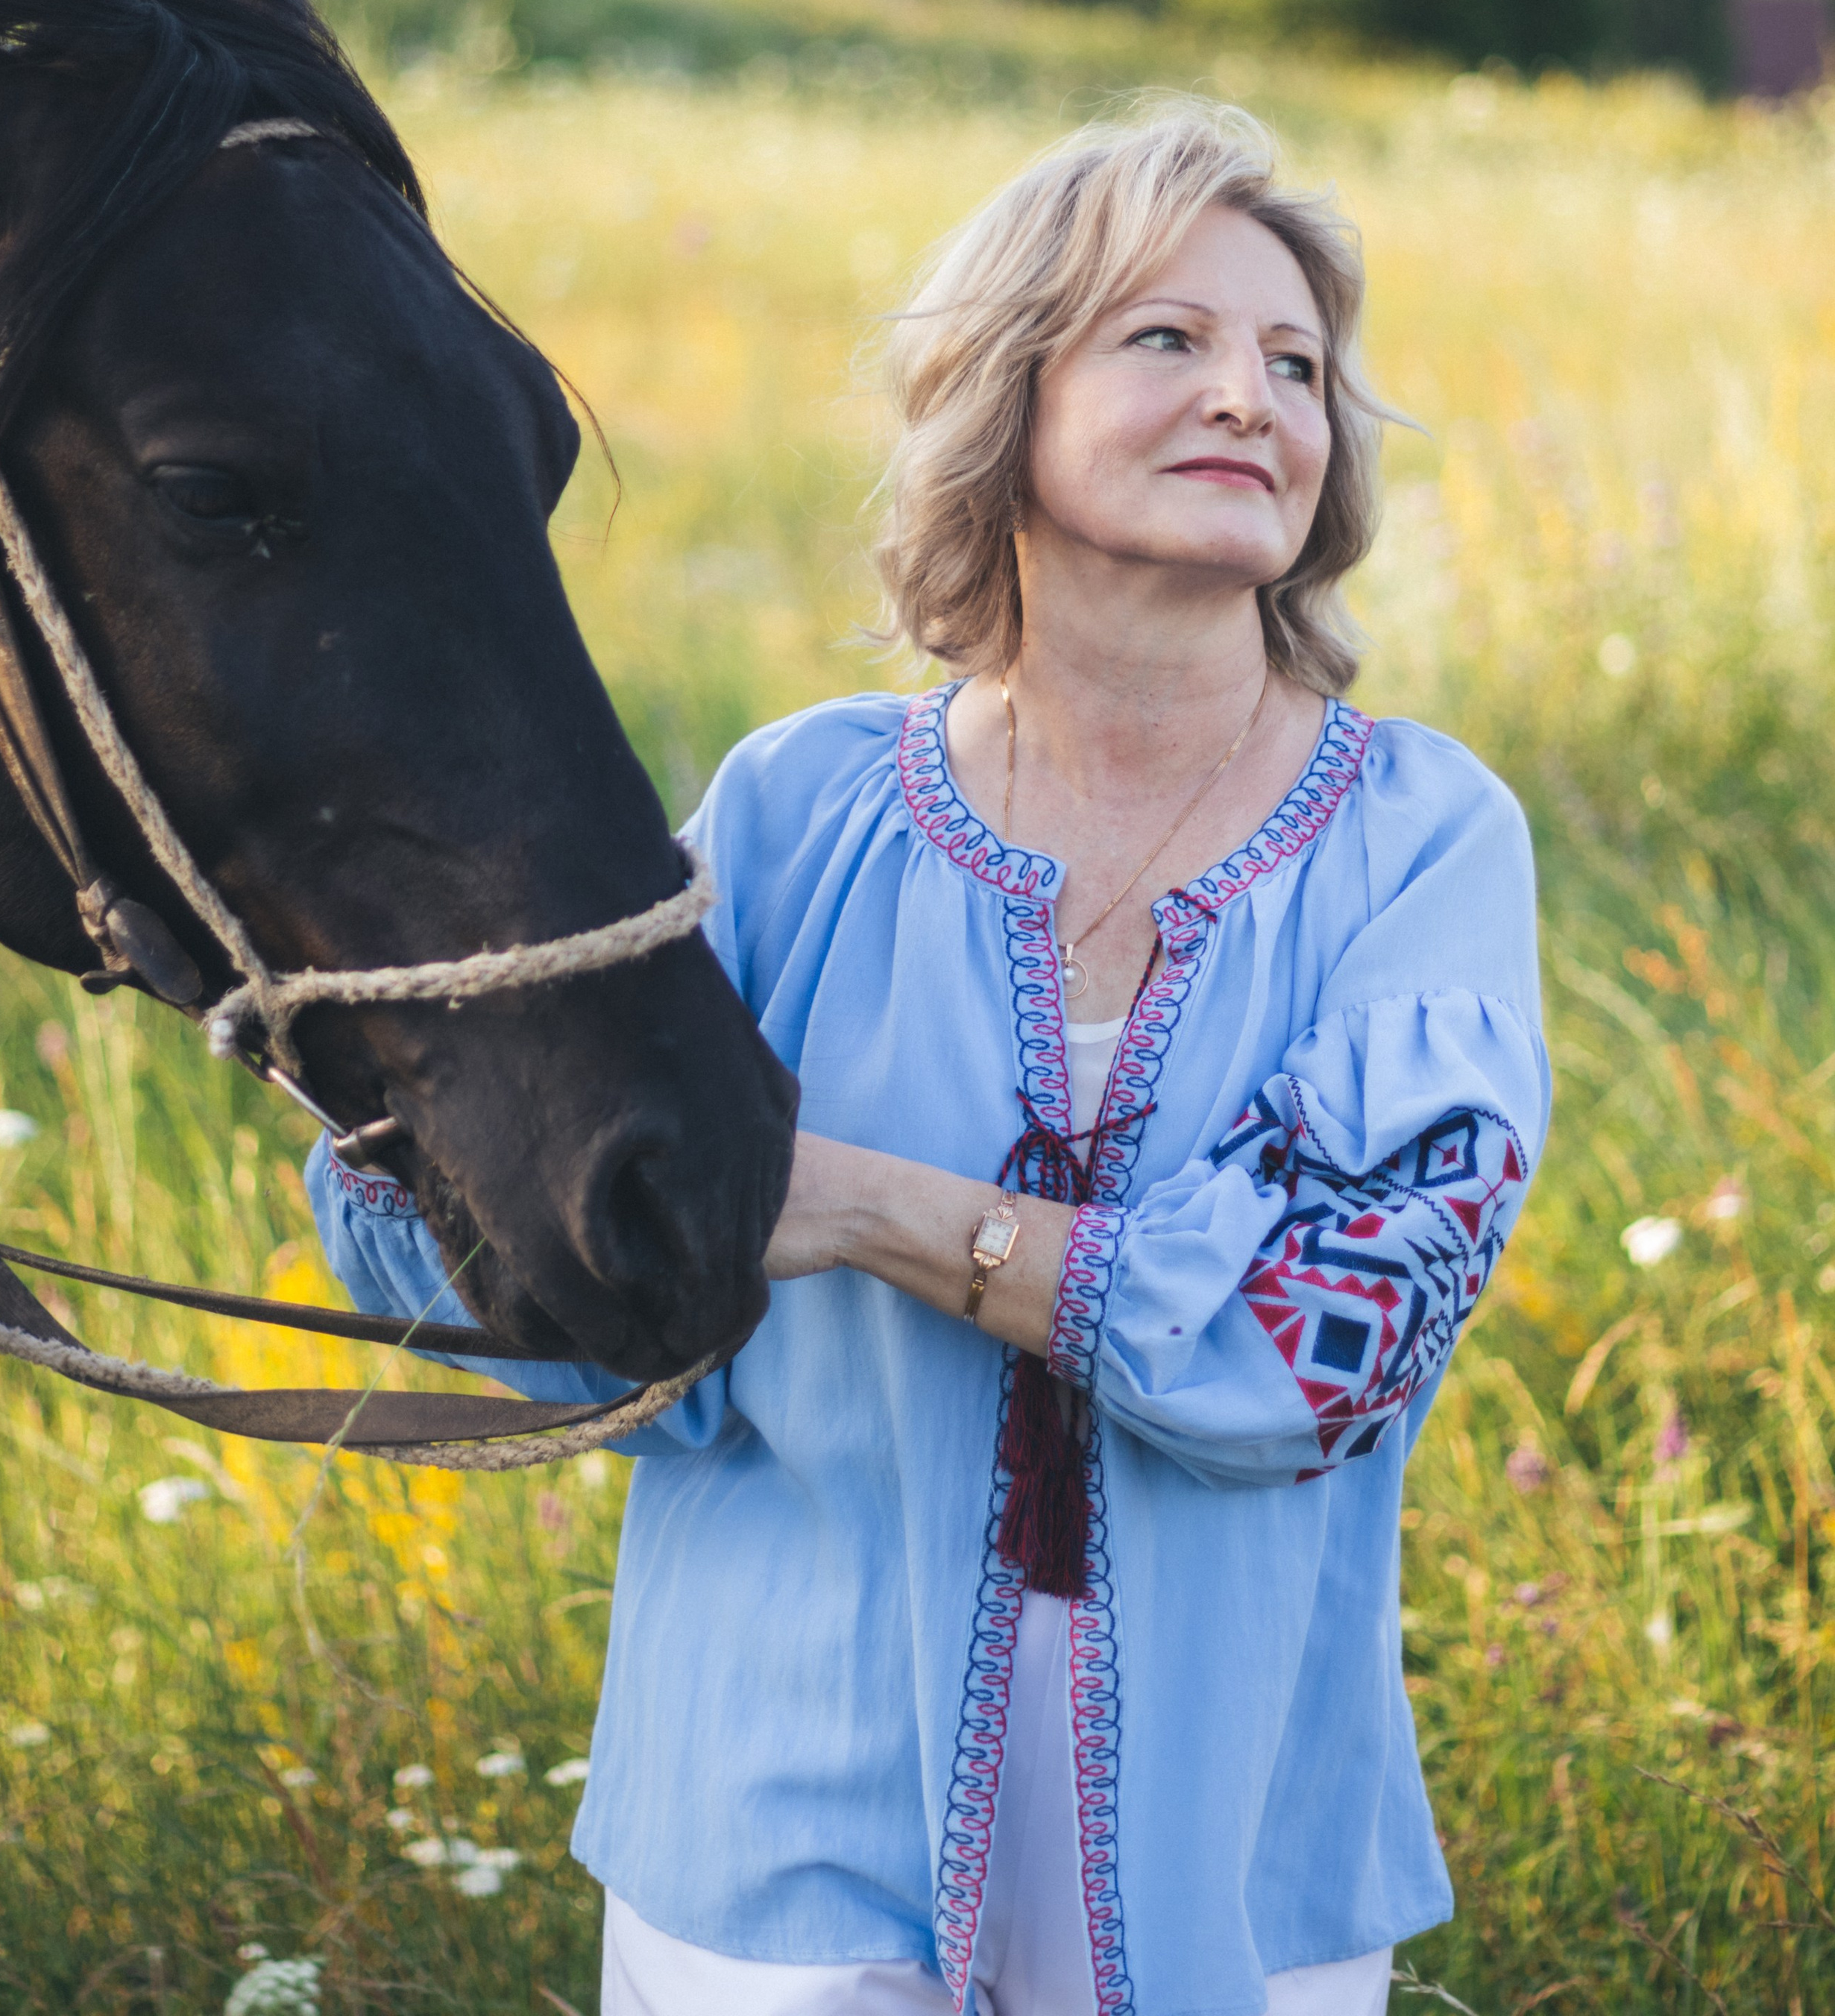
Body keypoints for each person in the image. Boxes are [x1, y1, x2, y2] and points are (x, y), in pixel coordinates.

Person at [310, 104, 1549, 2016]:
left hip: (1240, 1851)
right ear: (1001, 397)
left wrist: (870, 1210)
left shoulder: (1419, 838)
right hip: (773, 1819)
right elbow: (615, 1341)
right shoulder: (797, 812)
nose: (1251, 396)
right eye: (1169, 340)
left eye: (1293, 363)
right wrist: (402, 1083)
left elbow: (1322, 1343)